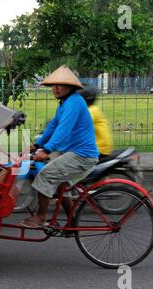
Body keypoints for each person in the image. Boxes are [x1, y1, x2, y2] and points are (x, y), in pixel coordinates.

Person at [20, 65, 99, 228]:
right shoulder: (65, 102)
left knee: (45, 175)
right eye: (53, 85)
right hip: (73, 153)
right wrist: (37, 145)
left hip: (81, 155)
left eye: (60, 85)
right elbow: (53, 126)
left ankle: (41, 217)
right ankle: (72, 222)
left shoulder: (74, 103)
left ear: (71, 87)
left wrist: (47, 149)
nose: (55, 88)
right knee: (61, 183)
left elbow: (63, 129)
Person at [78, 87, 113, 159]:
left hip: (99, 149)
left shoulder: (92, 110)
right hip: (100, 147)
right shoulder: (93, 109)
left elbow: (79, 124)